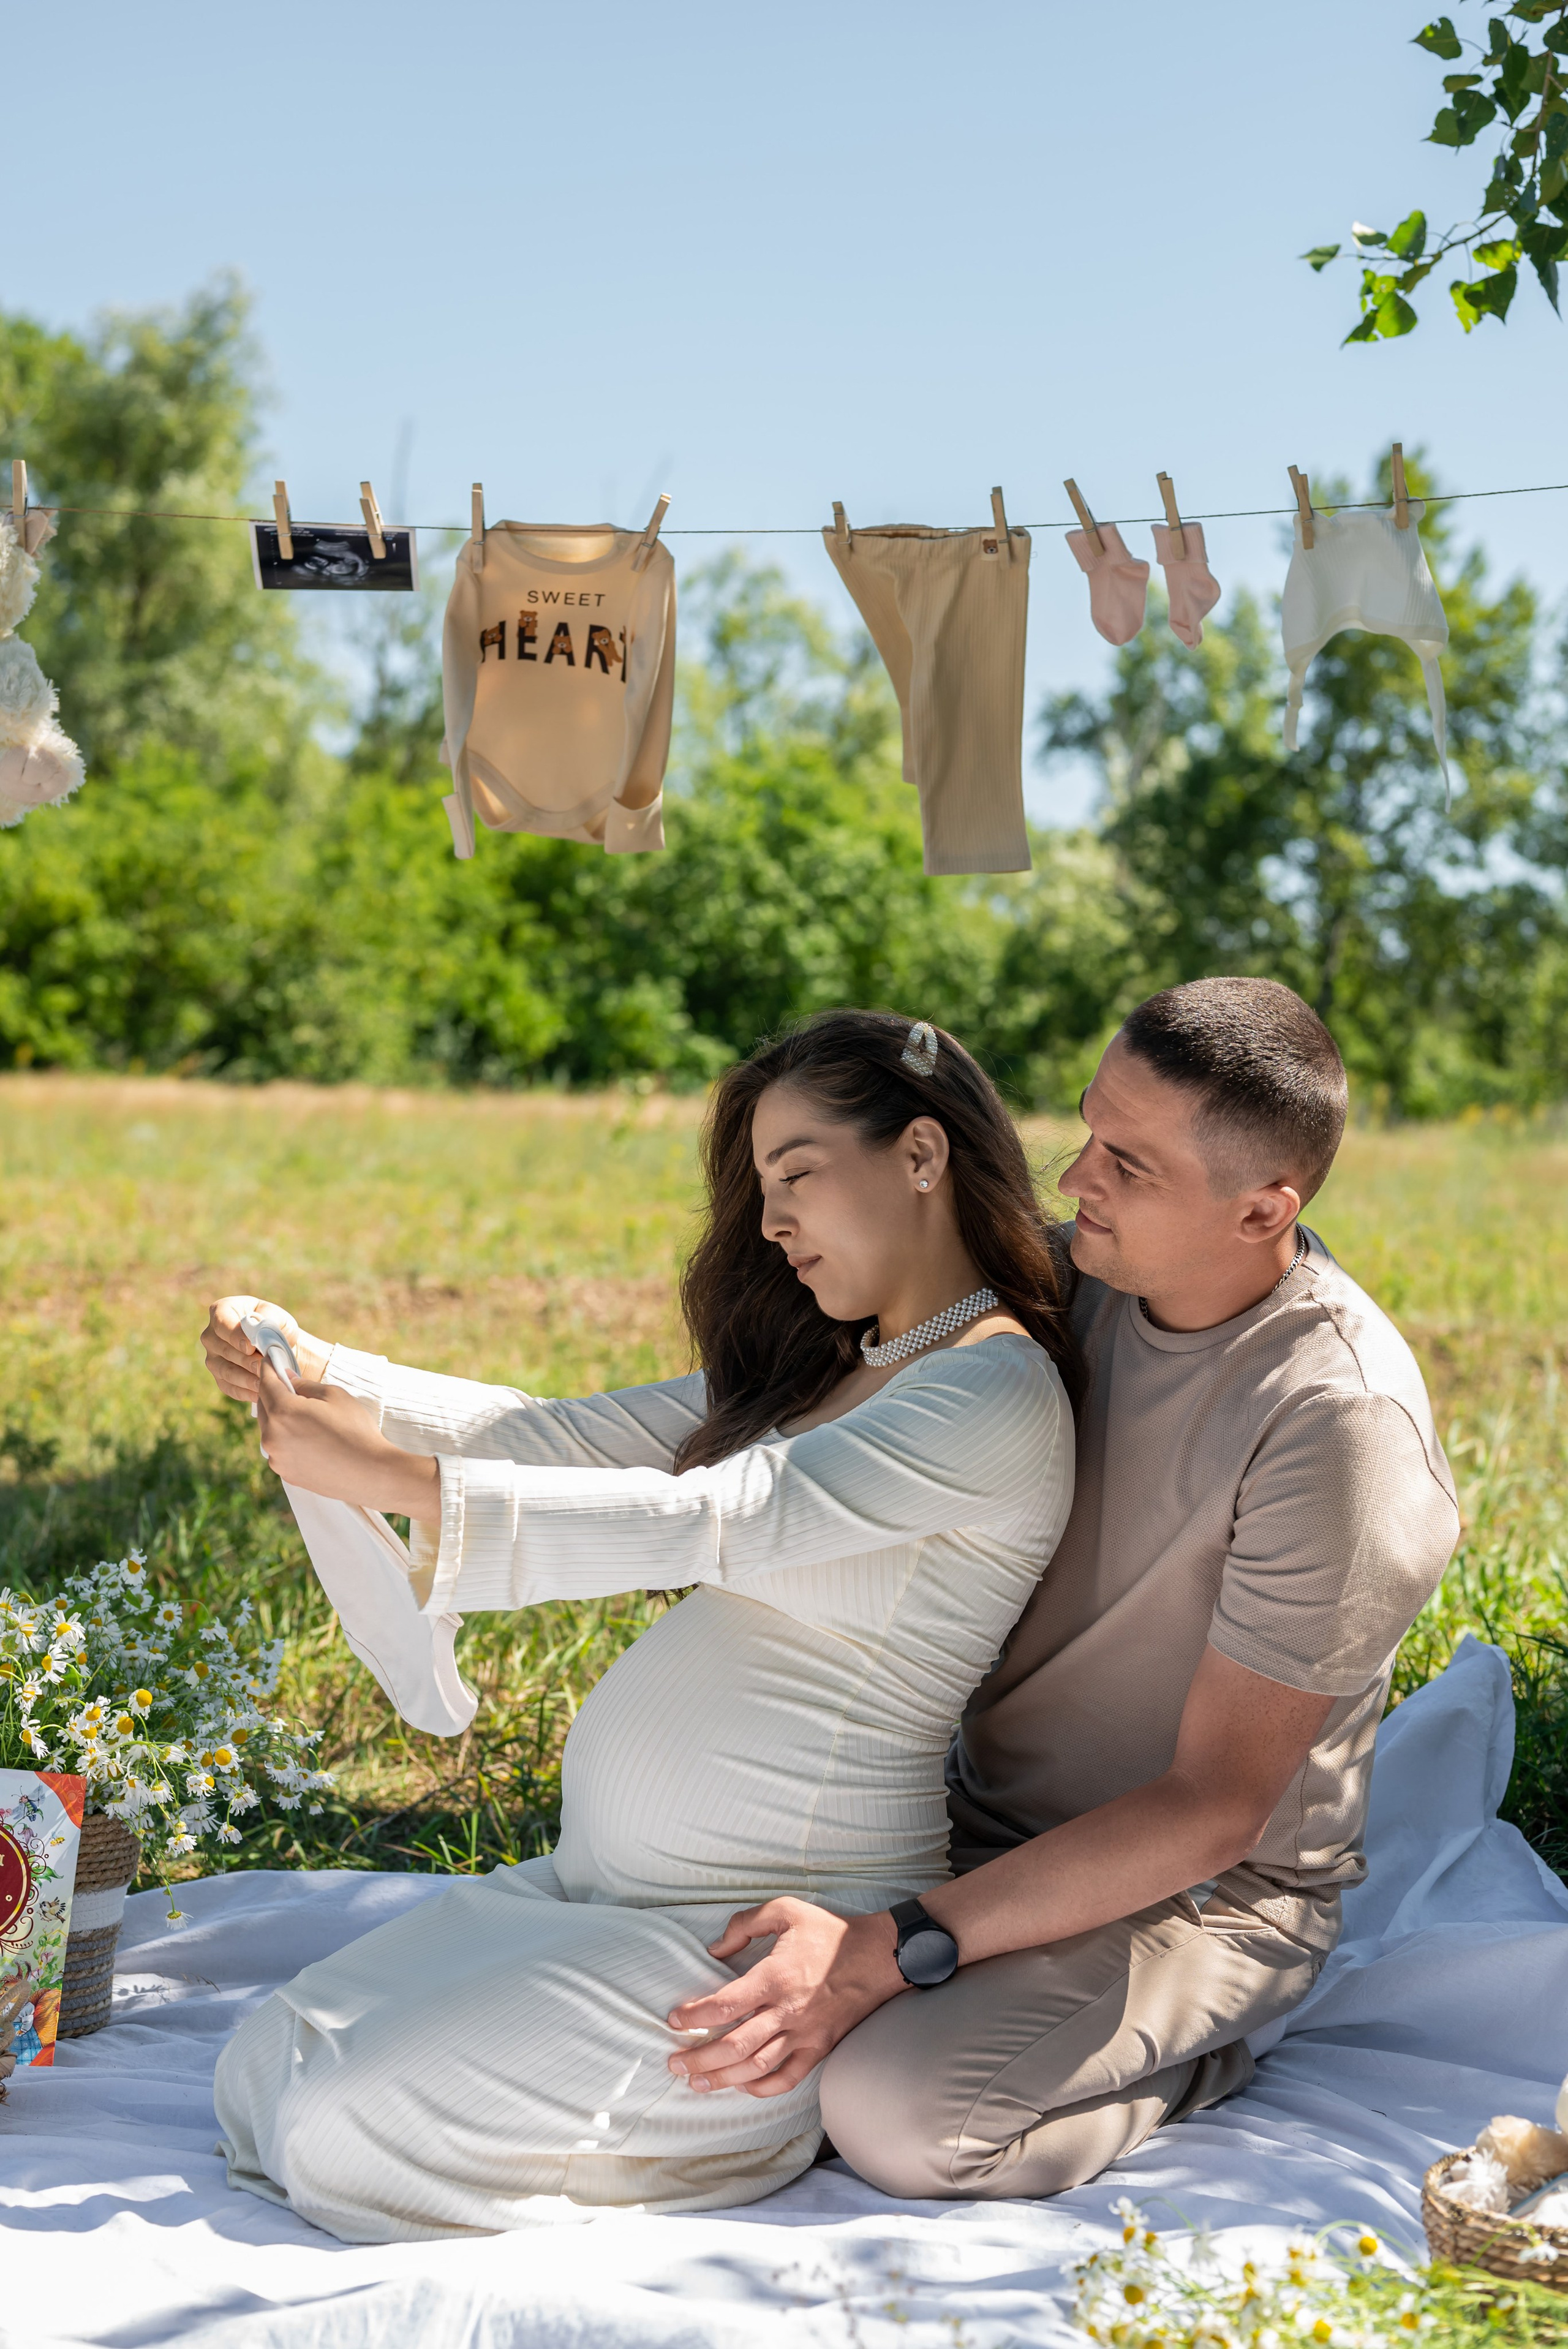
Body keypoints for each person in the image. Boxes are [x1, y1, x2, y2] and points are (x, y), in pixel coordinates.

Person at [199, 1010, 1080, 2241]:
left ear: (920, 1155)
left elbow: (720, 1516)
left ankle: (731, 2119)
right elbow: (547, 1432)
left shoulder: (989, 1391)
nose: (769, 1225)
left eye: (795, 1177)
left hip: (761, 1939)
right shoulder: (828, 1364)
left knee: (334, 2123)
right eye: (759, 1189)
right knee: (264, 2058)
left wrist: (409, 1489)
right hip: (597, 1891)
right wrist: (312, 1365)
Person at [659, 977, 1460, 2202]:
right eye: (1086, 1130)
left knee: (894, 2112)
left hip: (1198, 1893)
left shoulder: (1335, 1425)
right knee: (670, 1992)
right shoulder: (1061, 1284)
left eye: (1128, 1164)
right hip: (960, 1816)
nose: (1077, 1177)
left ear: (1262, 1209)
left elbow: (1212, 1810)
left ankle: (1198, 2058)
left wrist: (890, 1950)